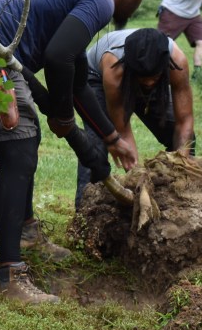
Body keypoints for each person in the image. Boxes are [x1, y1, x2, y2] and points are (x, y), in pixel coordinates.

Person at [0, 0, 151, 304]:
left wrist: (111, 138)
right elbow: (57, 58)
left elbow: (75, 80)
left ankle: (27, 235)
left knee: (26, 143)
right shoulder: (100, 1)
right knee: (18, 151)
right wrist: (63, 117)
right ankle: (10, 278)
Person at [75, 28, 195, 209]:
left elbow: (184, 121)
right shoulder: (113, 66)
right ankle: (86, 210)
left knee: (183, 138)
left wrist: (181, 166)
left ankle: (183, 199)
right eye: (144, 78)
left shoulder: (176, 61)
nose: (148, 83)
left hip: (140, 74)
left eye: (152, 77)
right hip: (97, 79)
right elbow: (121, 129)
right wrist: (138, 181)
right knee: (97, 143)